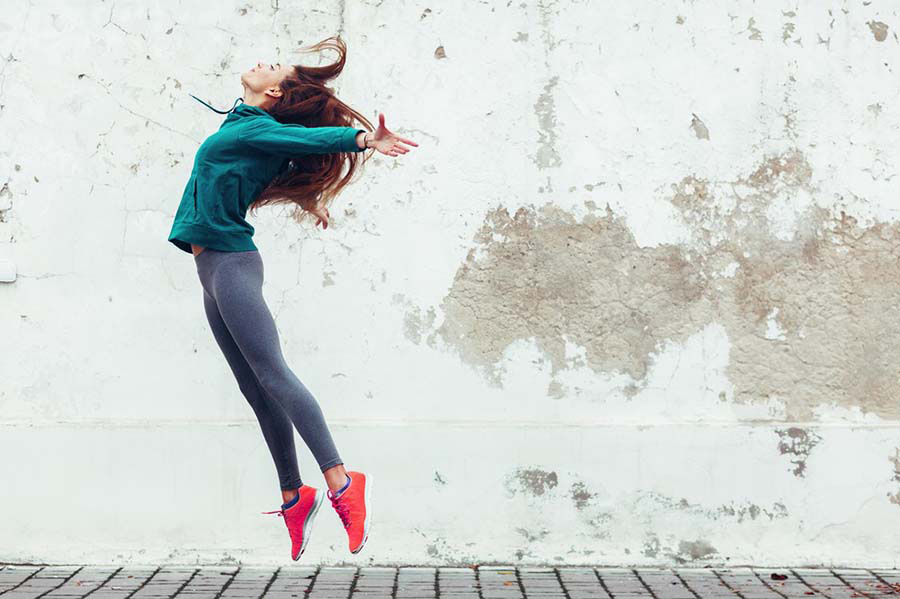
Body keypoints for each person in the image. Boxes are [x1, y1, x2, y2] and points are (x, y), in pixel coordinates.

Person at [166, 36, 418, 561]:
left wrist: (363, 141)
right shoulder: (242, 125)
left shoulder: (260, 127)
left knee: (274, 374)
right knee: (255, 388)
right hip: (212, 267)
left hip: (230, 263)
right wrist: (309, 196)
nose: (261, 61)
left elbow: (306, 144)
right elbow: (266, 165)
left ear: (275, 89)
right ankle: (293, 495)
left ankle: (343, 482)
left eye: (272, 66)